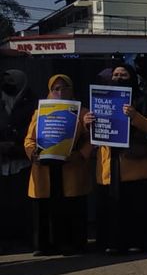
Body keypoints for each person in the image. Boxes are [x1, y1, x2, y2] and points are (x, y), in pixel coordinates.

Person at [84, 63, 147, 254]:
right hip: (108, 162)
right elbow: (92, 132)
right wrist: (87, 123)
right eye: (115, 75)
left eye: (123, 75)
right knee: (109, 205)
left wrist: (135, 116)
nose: (118, 78)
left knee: (134, 206)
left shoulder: (143, 100)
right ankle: (111, 242)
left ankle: (136, 242)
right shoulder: (100, 98)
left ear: (132, 78)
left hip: (134, 165)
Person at [24, 74, 93, 255]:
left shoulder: (83, 113)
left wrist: (80, 155)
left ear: (72, 90)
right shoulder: (40, 113)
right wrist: (32, 154)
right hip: (44, 167)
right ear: (50, 91)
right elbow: (29, 140)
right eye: (56, 89)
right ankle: (44, 245)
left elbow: (90, 140)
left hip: (71, 166)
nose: (60, 92)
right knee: (44, 207)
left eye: (64, 88)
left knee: (71, 206)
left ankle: (72, 243)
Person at [1, 69, 36, 253]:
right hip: (2, 161)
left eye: (11, 80)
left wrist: (15, 146)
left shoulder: (31, 103)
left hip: (22, 161)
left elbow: (33, 130)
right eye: (5, 80)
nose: (8, 83)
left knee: (22, 204)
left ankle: (25, 240)